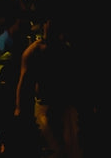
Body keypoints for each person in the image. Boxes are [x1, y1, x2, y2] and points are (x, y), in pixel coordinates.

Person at [15, 11, 83, 158]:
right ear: (44, 23)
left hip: (66, 114)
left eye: (57, 21)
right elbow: (24, 90)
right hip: (44, 115)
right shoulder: (34, 52)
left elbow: (76, 86)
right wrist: (21, 116)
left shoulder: (67, 50)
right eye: (50, 21)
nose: (53, 25)